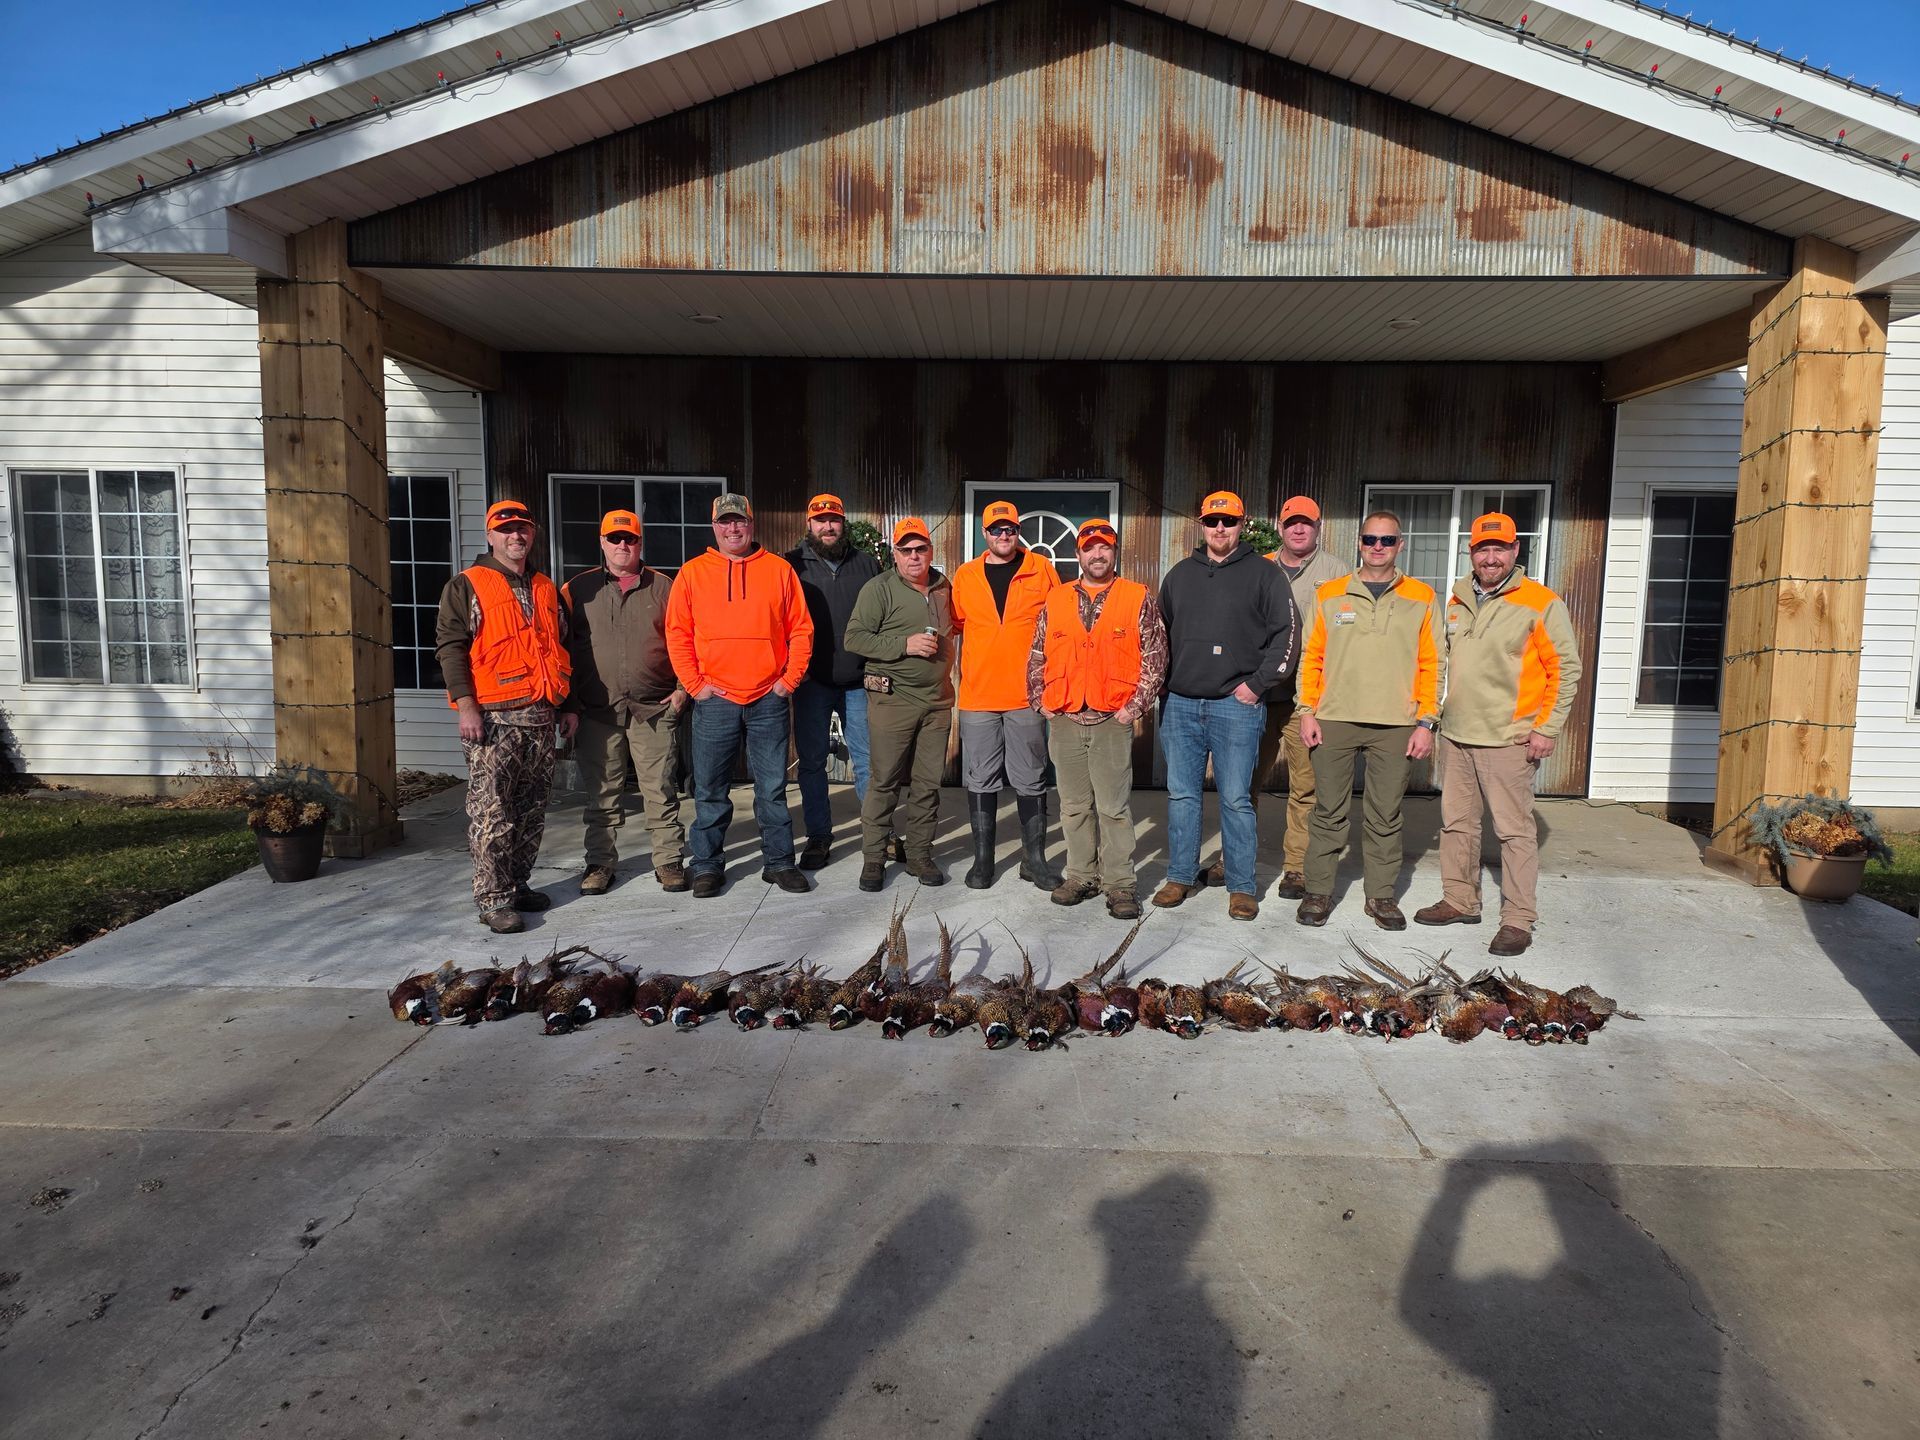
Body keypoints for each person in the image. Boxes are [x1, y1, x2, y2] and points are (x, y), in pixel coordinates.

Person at [1415, 512, 1583, 957]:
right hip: (1456, 735)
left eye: (1500, 549)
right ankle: (1460, 899)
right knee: (1456, 824)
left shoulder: (1541, 602)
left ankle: (1518, 919)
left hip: (1510, 738)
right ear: (1471, 552)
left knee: (1513, 832)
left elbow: (1566, 670)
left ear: (1514, 551)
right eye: (1482, 549)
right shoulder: (1454, 599)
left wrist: (1546, 728)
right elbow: (1441, 664)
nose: (1491, 557)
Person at [1152, 491, 1299, 922]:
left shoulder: (1265, 575)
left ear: (1242, 523)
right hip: (1181, 704)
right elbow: (1159, 640)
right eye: (1213, 521)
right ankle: (1180, 876)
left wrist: (1257, 686)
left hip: (1237, 705)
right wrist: (1163, 690)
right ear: (1201, 524)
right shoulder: (1180, 575)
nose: (1220, 529)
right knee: (1182, 795)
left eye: (1228, 522)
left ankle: (1241, 886)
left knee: (1236, 799)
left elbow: (1287, 637)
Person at [1295, 508, 1441, 930]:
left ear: (1400, 545)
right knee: (1328, 811)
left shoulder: (1421, 597)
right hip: (1335, 718)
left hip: (1397, 723)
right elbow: (1311, 657)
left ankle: (1379, 896)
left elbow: (1434, 663)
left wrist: (1426, 721)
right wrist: (1307, 711)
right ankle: (1318, 892)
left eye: (1387, 540)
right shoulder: (1330, 594)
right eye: (1370, 540)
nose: (1378, 547)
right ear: (1359, 543)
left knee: (1385, 814)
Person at [662, 493, 815, 898]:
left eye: (740, 521)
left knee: (772, 789)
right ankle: (708, 865)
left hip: (769, 697)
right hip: (715, 700)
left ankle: (780, 863)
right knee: (710, 789)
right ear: (714, 527)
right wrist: (696, 686)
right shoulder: (693, 574)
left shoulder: (779, 571)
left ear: (752, 524)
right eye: (725, 522)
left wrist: (788, 680)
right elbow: (677, 634)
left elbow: (801, 630)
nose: (733, 529)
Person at [436, 498, 571, 934]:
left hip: (541, 715)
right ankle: (494, 898)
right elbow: (451, 648)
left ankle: (517, 884)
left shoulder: (547, 588)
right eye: (506, 528)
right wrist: (467, 705)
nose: (516, 535)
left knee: (531, 809)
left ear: (532, 534)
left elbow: (560, 649)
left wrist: (567, 705)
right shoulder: (466, 585)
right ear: (490, 535)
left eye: (523, 528)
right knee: (493, 811)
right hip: (493, 719)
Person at [1203, 494, 1349, 897]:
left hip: (1307, 700)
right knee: (1240, 782)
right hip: (1257, 695)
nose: (1298, 529)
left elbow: (1342, 637)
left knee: (1305, 787)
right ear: (1280, 527)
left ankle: (1297, 867)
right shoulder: (1256, 567)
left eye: (1307, 523)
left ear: (1318, 528)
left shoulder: (1337, 573)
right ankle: (1232, 858)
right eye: (1291, 523)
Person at [1027, 518, 1168, 920]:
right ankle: (1081, 876)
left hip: (1111, 719)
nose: (1098, 553)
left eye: (1105, 546)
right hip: (1066, 717)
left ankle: (1120, 885)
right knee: (1073, 807)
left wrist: (1133, 708)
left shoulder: (1136, 597)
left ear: (1115, 551)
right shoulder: (1056, 600)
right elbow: (1037, 653)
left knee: (1113, 807)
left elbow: (1156, 659)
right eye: (1090, 547)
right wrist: (1041, 701)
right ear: (1079, 553)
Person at [558, 507, 689, 897]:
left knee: (660, 789)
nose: (622, 545)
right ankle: (600, 863)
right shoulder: (575, 590)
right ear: (602, 542)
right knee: (601, 793)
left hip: (654, 707)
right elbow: (560, 648)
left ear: (639, 543)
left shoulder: (665, 587)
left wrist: (683, 687)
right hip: (598, 710)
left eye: (629, 538)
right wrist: (568, 702)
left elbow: (686, 639)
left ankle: (667, 860)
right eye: (614, 538)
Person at [951, 501, 1062, 890]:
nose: (1004, 536)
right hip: (978, 695)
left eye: (1010, 529)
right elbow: (955, 624)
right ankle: (984, 861)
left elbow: (1058, 625)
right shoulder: (965, 576)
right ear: (985, 534)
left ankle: (1034, 860)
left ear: (1018, 532)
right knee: (980, 778)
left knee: (1031, 778)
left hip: (1027, 695)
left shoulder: (1042, 570)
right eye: (996, 530)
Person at [843, 517, 957, 891]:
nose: (913, 556)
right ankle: (874, 858)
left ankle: (920, 854)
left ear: (930, 551)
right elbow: (855, 638)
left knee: (927, 784)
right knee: (885, 780)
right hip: (894, 699)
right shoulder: (879, 588)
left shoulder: (943, 588)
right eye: (905, 550)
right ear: (894, 554)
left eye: (919, 549)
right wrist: (903, 645)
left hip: (937, 702)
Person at [783, 493, 882, 870]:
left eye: (834, 520)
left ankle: (877, 835)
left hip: (859, 681)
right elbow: (778, 621)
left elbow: (884, 619)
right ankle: (819, 837)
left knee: (868, 760)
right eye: (820, 520)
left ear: (844, 524)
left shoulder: (867, 565)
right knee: (810, 763)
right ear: (809, 524)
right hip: (811, 681)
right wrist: (792, 668)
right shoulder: (791, 566)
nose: (828, 526)